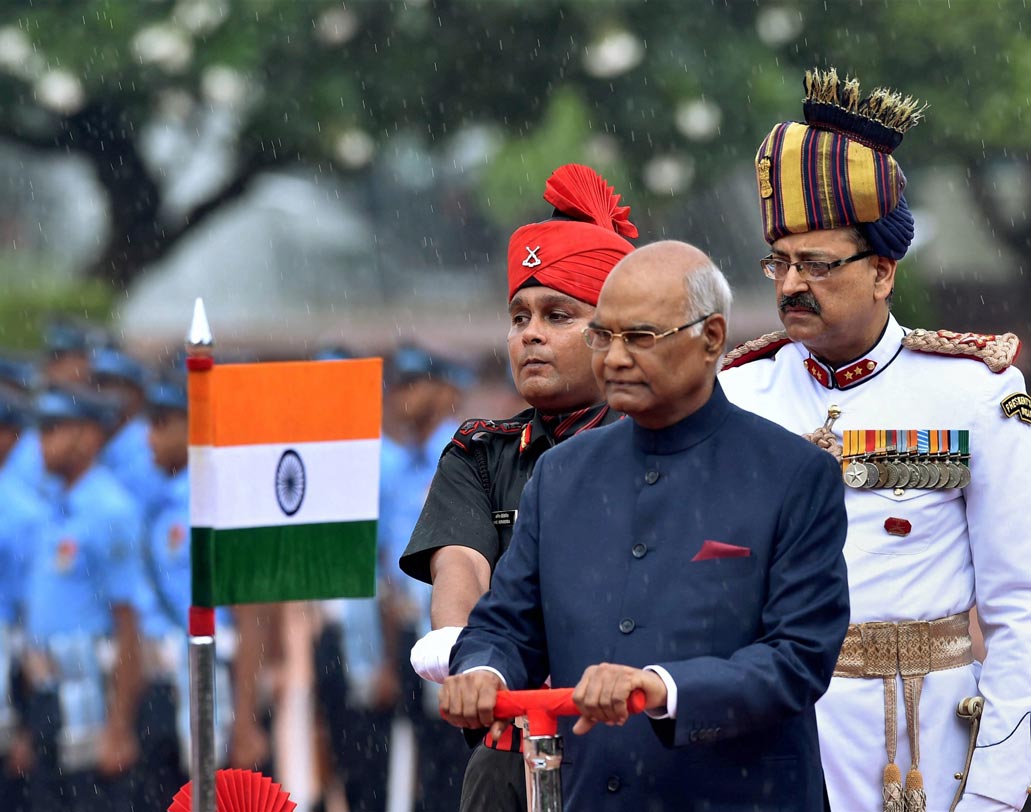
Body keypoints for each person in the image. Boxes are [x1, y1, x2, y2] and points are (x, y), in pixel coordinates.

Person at [439, 240, 851, 811]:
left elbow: (798, 657)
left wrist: (662, 687)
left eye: (639, 338)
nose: (613, 358)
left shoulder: (793, 474)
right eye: (602, 336)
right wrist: (484, 671)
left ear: (711, 338)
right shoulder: (562, 474)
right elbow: (506, 624)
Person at [719, 68, 1031, 812]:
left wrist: (994, 785)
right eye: (779, 262)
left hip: (926, 755)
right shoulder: (735, 394)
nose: (791, 283)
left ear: (883, 272)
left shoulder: (975, 392)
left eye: (818, 265)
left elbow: (1020, 607)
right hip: (769, 744)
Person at [399, 163, 637, 811]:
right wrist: (470, 665)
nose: (528, 333)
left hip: (637, 748)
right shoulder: (480, 452)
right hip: (513, 751)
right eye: (518, 316)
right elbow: (462, 576)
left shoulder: (662, 446)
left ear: (614, 331)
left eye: (557, 314)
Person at [17, 385, 144, 812]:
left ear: (90, 437)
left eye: (54, 429)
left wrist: (120, 726)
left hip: (90, 693)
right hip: (49, 694)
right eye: (41, 429)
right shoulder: (54, 505)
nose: (42, 443)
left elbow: (129, 623)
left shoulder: (109, 509)